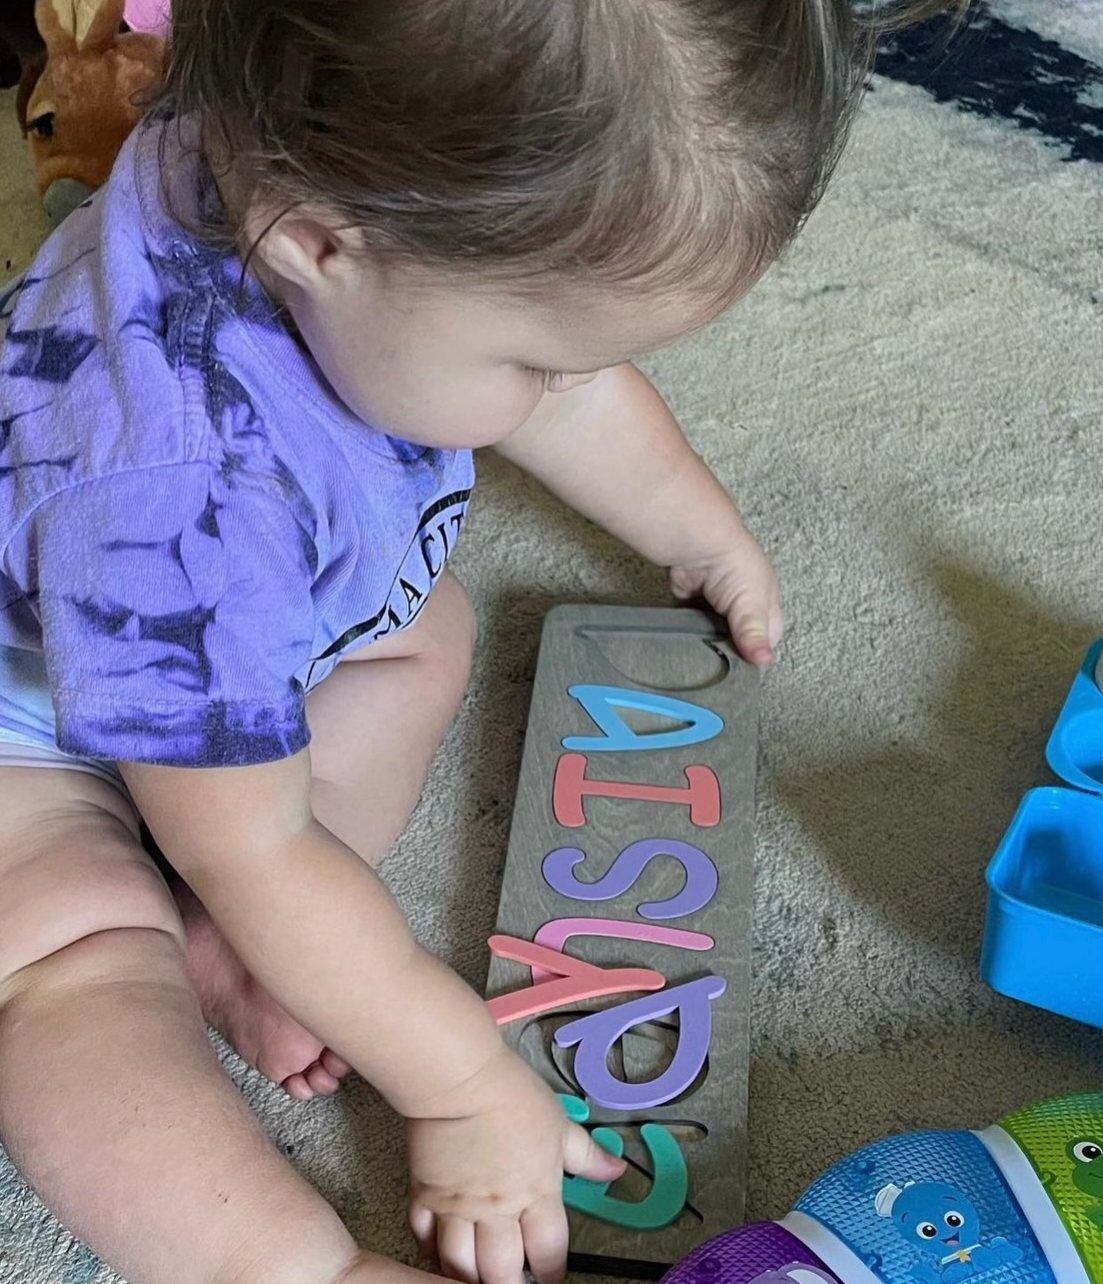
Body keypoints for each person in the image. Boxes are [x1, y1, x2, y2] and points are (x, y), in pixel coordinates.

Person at [0, 2, 960, 1283]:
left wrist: (696, 529)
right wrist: (457, 1085)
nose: (566, 390)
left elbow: (573, 392)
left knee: (420, 639)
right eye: (538, 362)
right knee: (80, 960)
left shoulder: (289, 143)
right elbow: (259, 843)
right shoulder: (177, 502)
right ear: (318, 242)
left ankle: (246, 939)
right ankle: (290, 1265)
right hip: (26, 729)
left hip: (216, 654)